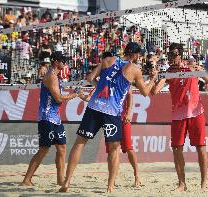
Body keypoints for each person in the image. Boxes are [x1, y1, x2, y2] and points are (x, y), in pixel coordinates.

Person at [59, 42, 157, 193]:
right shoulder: (134, 69)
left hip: (94, 106)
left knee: (80, 143)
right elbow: (145, 92)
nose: (140, 57)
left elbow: (90, 77)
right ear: (135, 54)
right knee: (114, 149)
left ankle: (67, 181)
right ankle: (110, 186)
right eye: (139, 54)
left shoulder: (107, 60)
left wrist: (99, 86)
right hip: (111, 111)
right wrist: (152, 79)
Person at [152, 43, 208, 192]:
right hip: (178, 116)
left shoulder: (192, 67)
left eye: (175, 54)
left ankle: (203, 184)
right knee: (176, 149)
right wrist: (154, 77)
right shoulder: (168, 72)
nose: (172, 57)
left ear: (180, 55)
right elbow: (155, 91)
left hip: (196, 113)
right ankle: (182, 184)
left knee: (201, 148)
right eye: (170, 55)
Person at [20, 51, 81, 186]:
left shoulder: (55, 76)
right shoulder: (51, 76)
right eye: (62, 61)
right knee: (44, 149)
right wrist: (74, 95)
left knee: (62, 148)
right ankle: (26, 180)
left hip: (55, 118)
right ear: (55, 61)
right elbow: (58, 98)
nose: (64, 63)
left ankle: (60, 180)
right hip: (46, 117)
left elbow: (57, 98)